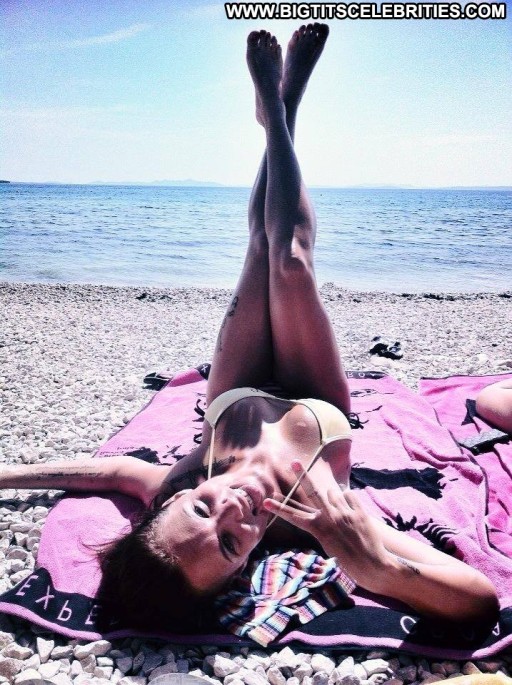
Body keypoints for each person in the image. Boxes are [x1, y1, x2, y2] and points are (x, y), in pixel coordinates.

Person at [0, 25, 498, 633]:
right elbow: (479, 600)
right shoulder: (318, 520)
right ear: (242, 571)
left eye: (202, 511)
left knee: (263, 247)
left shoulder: (178, 481)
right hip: (316, 400)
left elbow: (105, 473)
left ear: (172, 502)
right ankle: (283, 111)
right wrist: (376, 567)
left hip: (234, 392)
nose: (232, 511)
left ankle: (278, 114)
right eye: (231, 544)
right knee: (291, 263)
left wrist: (5, 476)